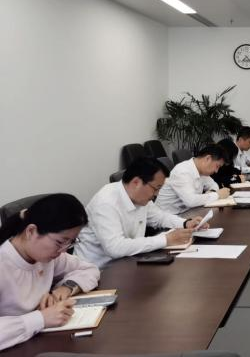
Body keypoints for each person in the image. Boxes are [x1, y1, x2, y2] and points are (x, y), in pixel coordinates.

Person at [0, 194, 100, 350]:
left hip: (37, 343)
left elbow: (89, 269)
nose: (63, 250)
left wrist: (66, 288)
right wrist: (41, 319)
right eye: (60, 242)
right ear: (31, 231)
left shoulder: (46, 256)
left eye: (71, 242)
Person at [74, 157, 207, 267]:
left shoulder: (140, 198)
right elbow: (115, 248)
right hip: (98, 272)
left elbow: (159, 217)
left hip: (128, 263)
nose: (157, 194)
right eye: (156, 188)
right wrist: (166, 239)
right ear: (136, 182)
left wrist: (186, 223)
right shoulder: (106, 202)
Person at [156, 145, 231, 214]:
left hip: (187, 212)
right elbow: (191, 201)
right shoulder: (182, 171)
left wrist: (212, 192)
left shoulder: (201, 170)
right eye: (217, 166)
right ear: (208, 159)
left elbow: (213, 185)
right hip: (169, 217)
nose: (216, 171)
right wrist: (217, 195)